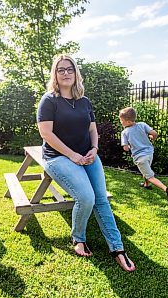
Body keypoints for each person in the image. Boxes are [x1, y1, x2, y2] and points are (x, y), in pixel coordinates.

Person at [37, 54, 135, 272]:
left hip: (87, 154)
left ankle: (117, 248)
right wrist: (73, 156)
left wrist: (94, 150)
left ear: (76, 73)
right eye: (61, 69)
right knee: (86, 197)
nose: (65, 73)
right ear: (55, 73)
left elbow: (92, 129)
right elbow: (46, 134)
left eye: (69, 69)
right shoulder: (49, 100)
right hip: (58, 157)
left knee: (101, 199)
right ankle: (78, 238)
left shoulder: (84, 101)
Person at [119, 107, 168, 205]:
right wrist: (151, 138)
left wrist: (128, 146)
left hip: (140, 157)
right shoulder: (142, 124)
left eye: (121, 121)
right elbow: (154, 134)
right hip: (149, 152)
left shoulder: (124, 132)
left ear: (127, 122)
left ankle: (167, 189)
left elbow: (125, 148)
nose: (121, 122)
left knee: (150, 176)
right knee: (147, 169)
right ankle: (146, 184)